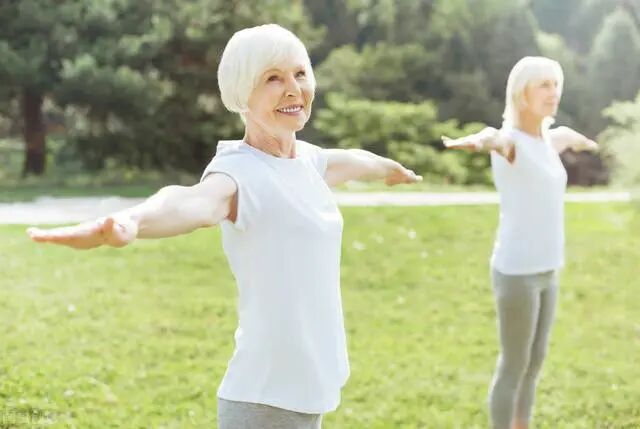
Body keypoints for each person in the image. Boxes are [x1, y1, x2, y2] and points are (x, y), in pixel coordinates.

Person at [27, 24, 422, 429]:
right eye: (272, 78)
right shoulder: (238, 173)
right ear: (241, 92)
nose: (293, 89)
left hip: (308, 390)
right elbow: (190, 202)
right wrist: (133, 220)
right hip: (264, 401)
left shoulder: (308, 161)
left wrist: (391, 169)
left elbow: (355, 160)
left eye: (300, 74)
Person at [443, 56, 598, 429]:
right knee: (514, 364)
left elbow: (567, 137)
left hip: (549, 267)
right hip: (517, 271)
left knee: (535, 361)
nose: (553, 92)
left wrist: (587, 142)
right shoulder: (511, 141)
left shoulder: (549, 140)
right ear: (521, 94)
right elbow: (492, 138)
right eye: (543, 85)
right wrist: (472, 141)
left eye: (556, 84)